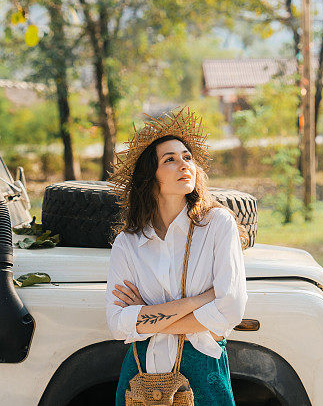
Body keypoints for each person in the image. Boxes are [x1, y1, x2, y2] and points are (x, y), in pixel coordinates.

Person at [105, 107, 247, 405]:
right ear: (150, 177)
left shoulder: (217, 225)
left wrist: (144, 317)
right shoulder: (128, 243)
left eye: (187, 157)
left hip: (201, 369)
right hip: (140, 372)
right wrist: (199, 301)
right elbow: (118, 324)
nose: (184, 165)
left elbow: (230, 310)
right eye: (170, 159)